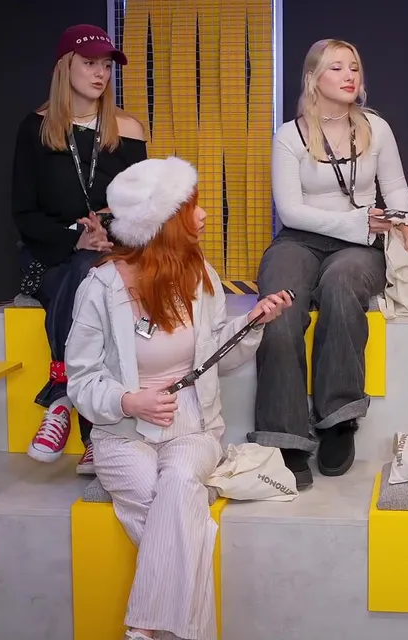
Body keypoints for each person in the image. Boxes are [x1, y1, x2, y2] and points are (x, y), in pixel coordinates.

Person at [66, 156, 291, 640]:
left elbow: (215, 358)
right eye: (191, 207)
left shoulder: (201, 276)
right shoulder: (100, 288)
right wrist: (128, 402)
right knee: (176, 506)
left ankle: (141, 630)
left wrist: (251, 325)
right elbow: (80, 381)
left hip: (193, 424)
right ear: (162, 223)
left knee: (179, 482)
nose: (204, 215)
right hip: (122, 434)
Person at [251, 39, 408, 490]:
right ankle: (285, 435)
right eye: (336, 68)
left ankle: (338, 419)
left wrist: (403, 221)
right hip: (300, 240)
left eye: (354, 68)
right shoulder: (289, 136)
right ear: (313, 78)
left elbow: (396, 187)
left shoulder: (376, 128)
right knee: (280, 308)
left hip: (361, 244)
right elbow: (291, 212)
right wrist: (357, 221)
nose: (349, 76)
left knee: (341, 285)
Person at [11, 24, 148, 473]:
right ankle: (94, 433)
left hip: (112, 248)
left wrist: (107, 228)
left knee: (95, 270)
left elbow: (142, 205)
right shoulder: (35, 129)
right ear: (64, 67)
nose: (100, 73)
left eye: (106, 65)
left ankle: (61, 395)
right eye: (90, 63)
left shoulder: (127, 128)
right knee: (86, 273)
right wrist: (75, 237)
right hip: (53, 251)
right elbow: (24, 213)